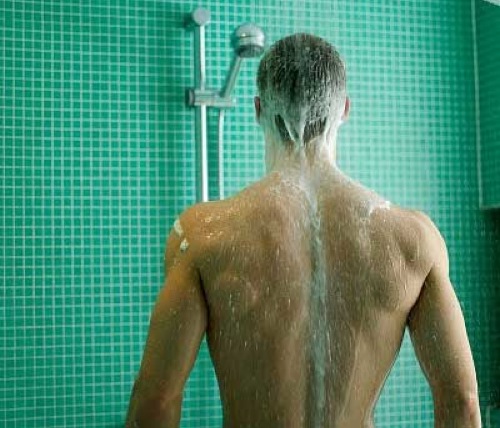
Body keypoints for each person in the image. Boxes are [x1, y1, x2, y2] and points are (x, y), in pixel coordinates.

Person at [125, 33, 480, 428]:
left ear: (258, 109)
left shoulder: (203, 235)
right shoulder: (413, 240)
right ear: (344, 109)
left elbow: (157, 399)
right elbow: (461, 401)